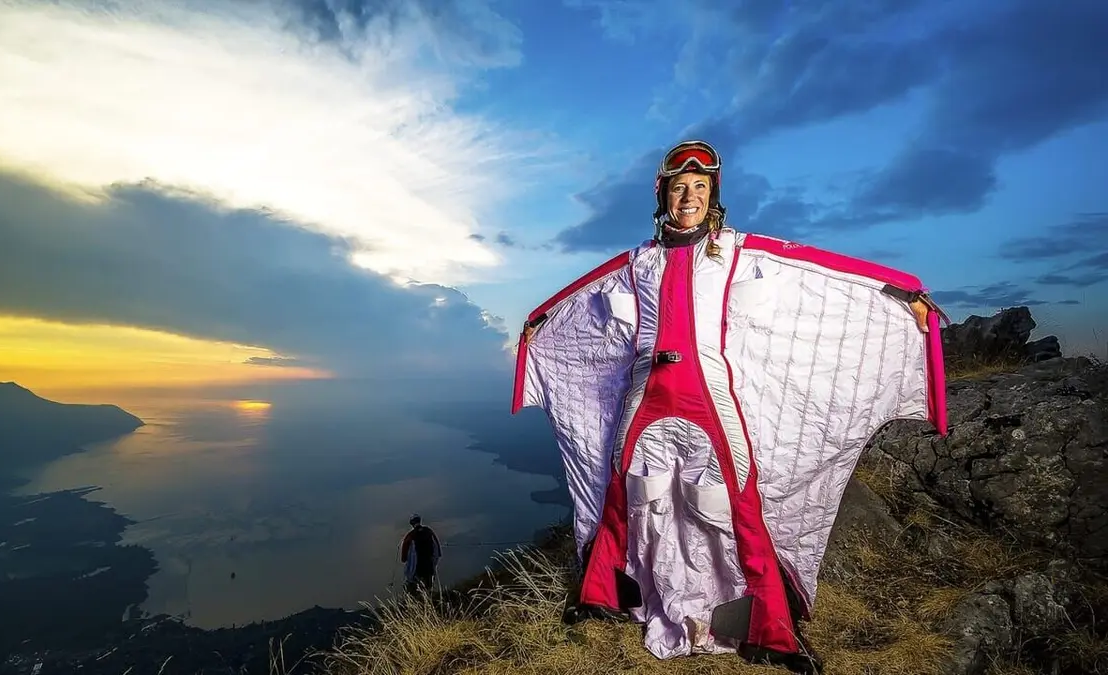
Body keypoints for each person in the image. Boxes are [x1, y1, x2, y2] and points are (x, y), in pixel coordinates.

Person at [512, 140, 949, 672]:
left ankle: (772, 632)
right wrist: (538, 321)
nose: (689, 197)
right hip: (644, 394)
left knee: (739, 507)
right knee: (622, 491)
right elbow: (583, 291)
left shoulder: (737, 252)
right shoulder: (638, 262)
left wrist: (903, 292)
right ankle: (602, 595)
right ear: (662, 195)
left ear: (712, 194)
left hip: (709, 396)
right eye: (679, 188)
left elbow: (816, 267)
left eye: (699, 188)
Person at [399, 514, 442, 597]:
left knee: (414, 589)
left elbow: (403, 558)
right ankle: (429, 601)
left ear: (411, 524)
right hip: (429, 565)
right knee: (429, 587)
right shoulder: (429, 531)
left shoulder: (410, 536)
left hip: (416, 568)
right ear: (419, 521)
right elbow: (438, 549)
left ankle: (417, 605)